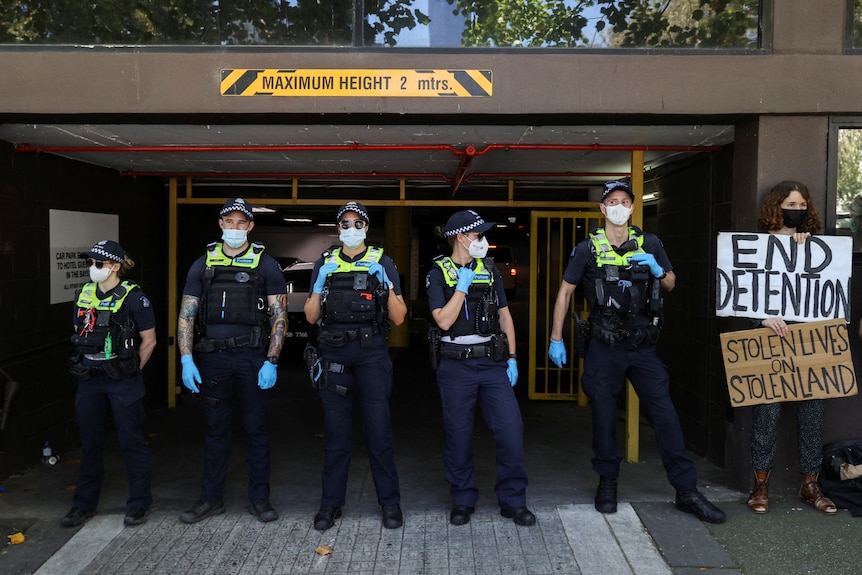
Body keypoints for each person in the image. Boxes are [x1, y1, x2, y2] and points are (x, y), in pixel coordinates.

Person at [548, 180, 725, 524]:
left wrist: (659, 270)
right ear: (602, 209)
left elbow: (672, 282)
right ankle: (608, 483)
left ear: (632, 208)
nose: (618, 205)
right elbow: (565, 292)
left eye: (624, 201)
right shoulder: (587, 249)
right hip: (604, 346)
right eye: (611, 201)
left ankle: (686, 491)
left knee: (665, 415)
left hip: (642, 347)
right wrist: (557, 338)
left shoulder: (651, 243)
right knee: (603, 418)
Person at [178, 198, 287, 524]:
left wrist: (272, 360)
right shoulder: (202, 263)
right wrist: (186, 359)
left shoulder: (265, 264)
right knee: (215, 430)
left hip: (252, 358)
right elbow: (187, 314)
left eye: (242, 223)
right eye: (230, 222)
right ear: (221, 224)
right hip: (212, 359)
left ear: (251, 226)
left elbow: (279, 315)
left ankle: (260, 499)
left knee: (255, 430)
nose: (236, 228)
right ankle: (210, 499)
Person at [426, 210, 536, 527]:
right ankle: (462, 500)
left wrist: (512, 358)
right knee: (459, 435)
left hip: (492, 364)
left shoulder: (489, 271)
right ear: (461, 236)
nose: (483, 241)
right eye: (478, 235)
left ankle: (513, 501)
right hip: (456, 366)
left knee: (511, 432)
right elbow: (443, 320)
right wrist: (461, 286)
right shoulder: (438, 272)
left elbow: (504, 316)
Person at [303, 201, 407, 531]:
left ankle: (390, 503)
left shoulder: (382, 261)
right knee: (337, 435)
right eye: (344, 224)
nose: (350, 229)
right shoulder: (326, 262)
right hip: (334, 354)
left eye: (356, 223)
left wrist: (387, 286)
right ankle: (330, 505)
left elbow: (399, 316)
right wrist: (318, 286)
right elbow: (310, 316)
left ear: (366, 227)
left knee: (379, 431)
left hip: (371, 353)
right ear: (337, 229)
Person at [746, 180, 837, 515]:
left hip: (809, 342)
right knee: (766, 413)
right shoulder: (756, 246)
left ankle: (810, 485)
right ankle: (760, 486)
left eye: (801, 206)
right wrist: (762, 319)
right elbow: (744, 292)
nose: (796, 211)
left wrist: (806, 247)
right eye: (790, 204)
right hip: (770, 341)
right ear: (776, 206)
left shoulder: (815, 246)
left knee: (812, 413)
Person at [63, 240, 157, 527]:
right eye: (91, 263)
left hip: (122, 382)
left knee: (131, 442)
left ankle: (139, 504)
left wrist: (129, 371)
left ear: (115, 266)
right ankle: (83, 505)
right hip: (89, 379)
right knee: (90, 444)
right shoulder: (84, 294)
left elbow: (149, 340)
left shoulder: (134, 298)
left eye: (99, 264)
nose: (93, 268)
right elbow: (79, 331)